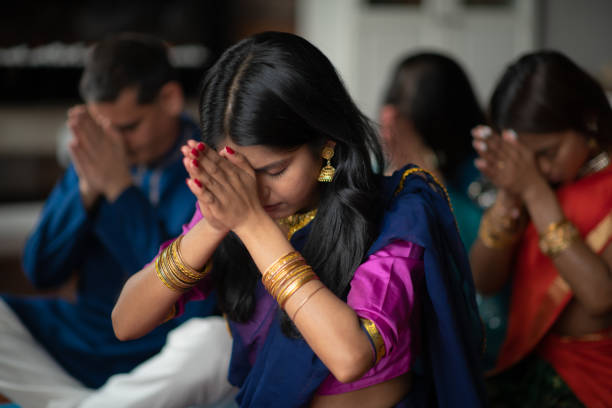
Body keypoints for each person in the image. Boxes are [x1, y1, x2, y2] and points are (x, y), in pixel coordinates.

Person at [111, 31, 486, 407]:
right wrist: (214, 224)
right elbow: (126, 322)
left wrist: (253, 225)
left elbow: (350, 356)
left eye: (275, 170)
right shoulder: (234, 212)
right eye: (241, 174)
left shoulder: (397, 215)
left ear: (325, 144)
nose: (256, 193)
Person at [0, 33, 232, 407]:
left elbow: (190, 307)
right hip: (79, 340)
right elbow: (41, 271)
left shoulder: (211, 163)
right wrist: (88, 190)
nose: (117, 144)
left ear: (170, 99)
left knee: (216, 343)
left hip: (159, 355)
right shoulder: (99, 155)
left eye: (129, 127)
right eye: (105, 128)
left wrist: (120, 190)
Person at [470, 50, 612, 407]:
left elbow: (601, 297)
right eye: (527, 159)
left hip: (595, 380)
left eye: (549, 152)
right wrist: (507, 199)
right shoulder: (540, 184)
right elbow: (483, 281)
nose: (540, 169)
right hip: (530, 364)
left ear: (588, 121)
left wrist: (533, 190)